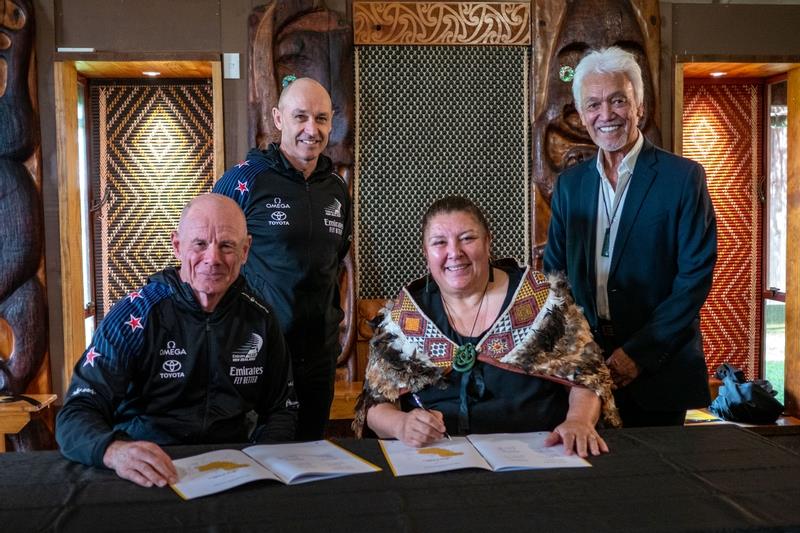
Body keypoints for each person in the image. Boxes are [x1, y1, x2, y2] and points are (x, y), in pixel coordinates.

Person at [56, 194, 297, 487]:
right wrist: (114, 451)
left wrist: (263, 460)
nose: (213, 259)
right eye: (199, 244)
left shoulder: (260, 318)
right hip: (146, 472)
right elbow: (76, 414)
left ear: (245, 250)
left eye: (227, 245)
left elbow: (282, 408)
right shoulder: (134, 316)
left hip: (232, 470)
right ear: (177, 245)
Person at [354, 196, 619, 457]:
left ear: (488, 242)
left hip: (540, 455)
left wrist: (578, 421)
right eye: (439, 243)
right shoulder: (406, 316)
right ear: (426, 253)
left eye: (467, 238)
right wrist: (401, 424)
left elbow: (588, 377)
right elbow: (375, 404)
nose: (455, 253)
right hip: (439, 458)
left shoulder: (542, 301)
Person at [544, 47, 717, 427]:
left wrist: (638, 353)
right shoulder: (570, 186)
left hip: (660, 367)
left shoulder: (683, 179)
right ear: (582, 114)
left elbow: (693, 281)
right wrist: (576, 349)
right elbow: (554, 273)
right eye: (593, 104)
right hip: (585, 368)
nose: (606, 114)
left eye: (618, 100)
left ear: (639, 105)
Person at [213, 77, 352, 440]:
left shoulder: (336, 188)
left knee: (311, 456)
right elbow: (207, 256)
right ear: (278, 119)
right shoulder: (245, 180)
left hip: (319, 357)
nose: (312, 129)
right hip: (260, 352)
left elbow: (335, 260)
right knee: (262, 460)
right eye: (300, 117)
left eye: (321, 119)